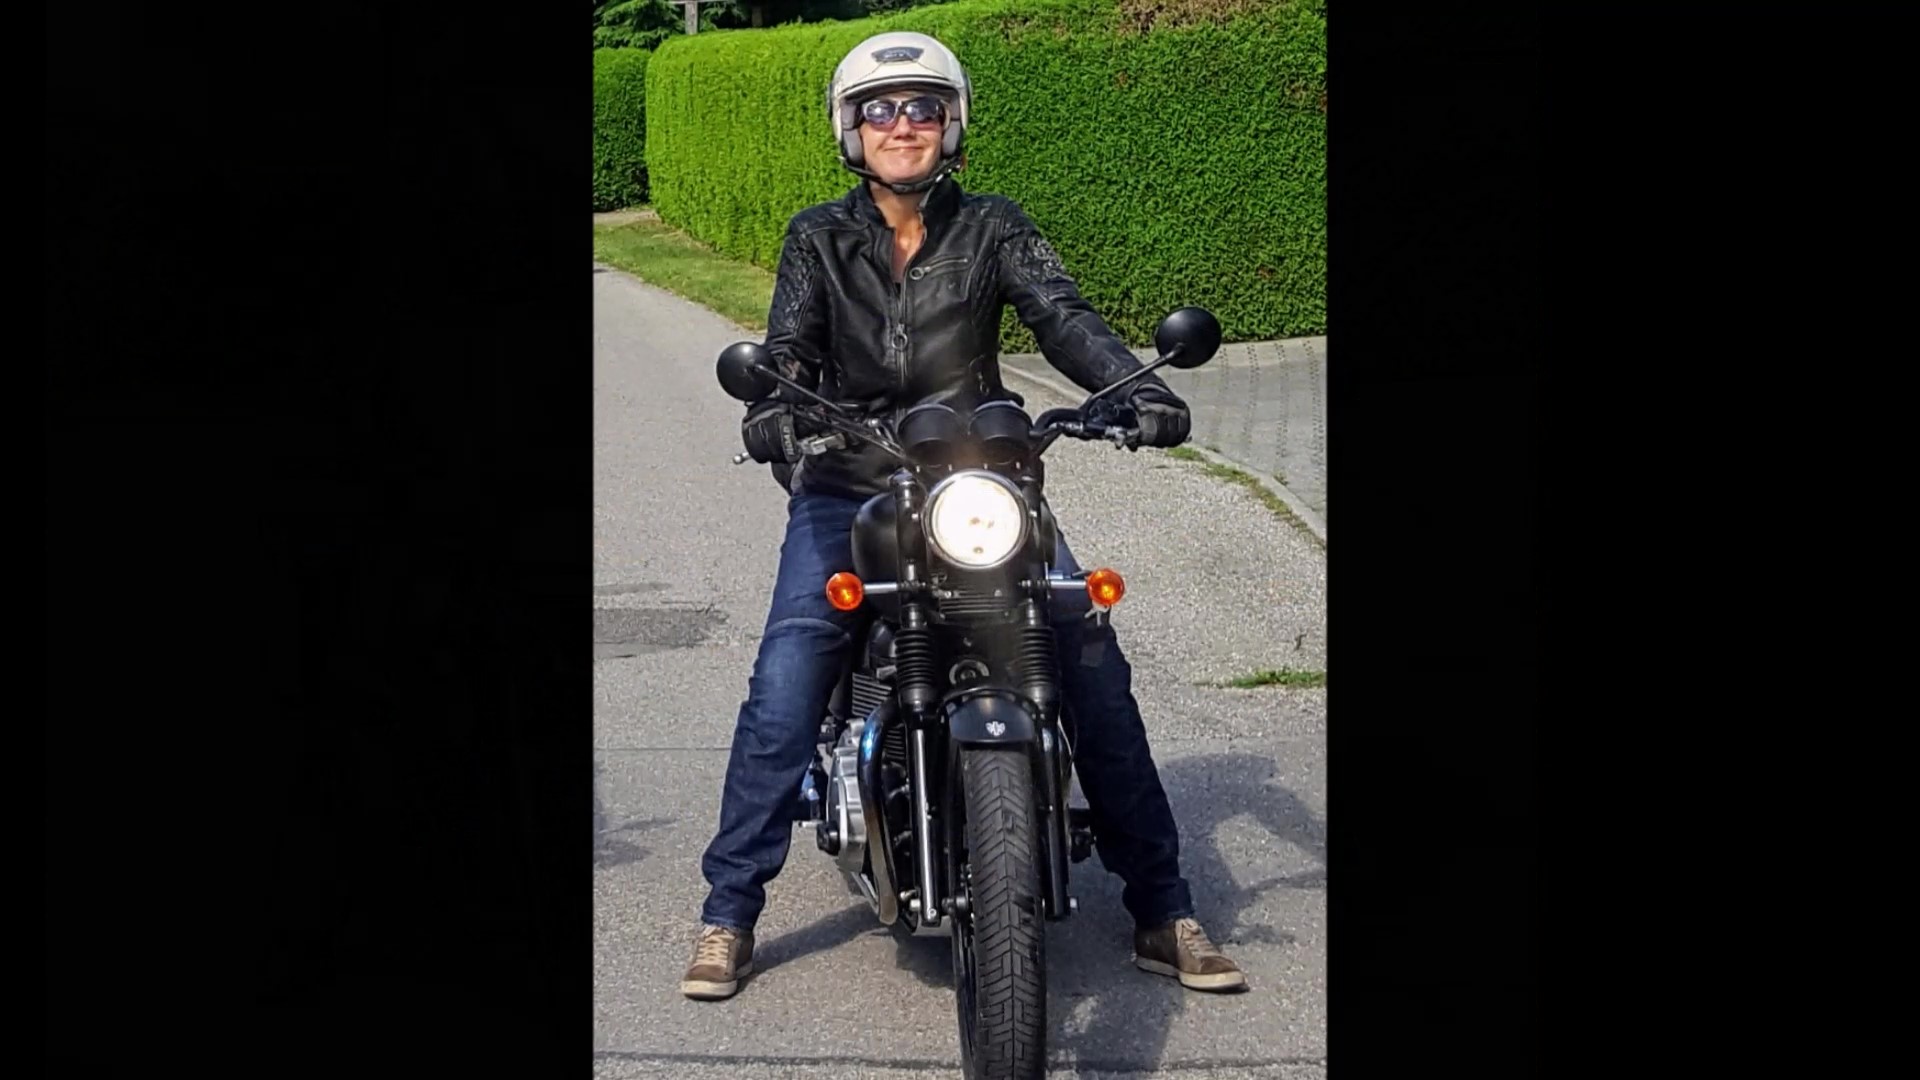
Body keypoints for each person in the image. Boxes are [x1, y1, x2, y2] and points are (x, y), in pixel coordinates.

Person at [682, 30, 1247, 1001]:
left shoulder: (995, 226)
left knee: (1092, 664)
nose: (902, 125)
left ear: (952, 125)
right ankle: (728, 912)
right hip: (851, 477)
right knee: (787, 677)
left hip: (981, 478)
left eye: (923, 107)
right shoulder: (818, 237)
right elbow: (790, 349)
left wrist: (1134, 387)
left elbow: (1062, 315)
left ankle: (1163, 908)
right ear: (851, 129)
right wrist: (776, 409)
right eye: (880, 109)